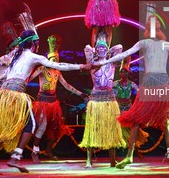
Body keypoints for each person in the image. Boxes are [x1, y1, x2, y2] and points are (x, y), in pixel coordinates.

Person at [96, 16, 169, 171]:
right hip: (150, 85)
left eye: (157, 25)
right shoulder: (144, 43)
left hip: (162, 85)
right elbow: (124, 54)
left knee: (166, 122)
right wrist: (102, 62)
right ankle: (130, 156)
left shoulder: (166, 45)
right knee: (138, 121)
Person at [0, 30, 91, 175]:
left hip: (2, 95)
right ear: (34, 43)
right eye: (37, 43)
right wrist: (81, 66)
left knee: (3, 129)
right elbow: (60, 65)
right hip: (15, 95)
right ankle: (15, 158)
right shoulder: (34, 57)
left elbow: (5, 75)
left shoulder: (17, 56)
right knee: (32, 125)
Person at [29, 34, 87, 163]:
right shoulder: (42, 69)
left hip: (53, 102)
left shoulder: (57, 72)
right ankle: (35, 151)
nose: (56, 62)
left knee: (56, 127)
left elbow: (67, 85)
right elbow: (29, 78)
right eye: (53, 59)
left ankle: (48, 150)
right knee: (42, 126)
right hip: (42, 101)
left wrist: (80, 94)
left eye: (57, 59)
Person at [79, 33, 126, 168]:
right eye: (99, 48)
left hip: (110, 100)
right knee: (92, 129)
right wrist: (96, 49)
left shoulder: (112, 62)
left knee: (112, 129)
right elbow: (87, 48)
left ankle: (112, 160)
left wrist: (107, 50)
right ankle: (88, 160)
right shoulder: (92, 63)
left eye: (103, 48)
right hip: (95, 100)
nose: (101, 49)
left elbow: (120, 47)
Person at [113, 57, 148, 156]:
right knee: (117, 128)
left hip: (128, 107)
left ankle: (135, 150)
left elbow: (138, 91)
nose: (124, 73)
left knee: (132, 128)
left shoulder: (131, 84)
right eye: (122, 72)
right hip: (119, 106)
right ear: (120, 73)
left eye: (125, 72)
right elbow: (108, 89)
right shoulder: (115, 83)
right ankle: (115, 151)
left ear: (128, 73)